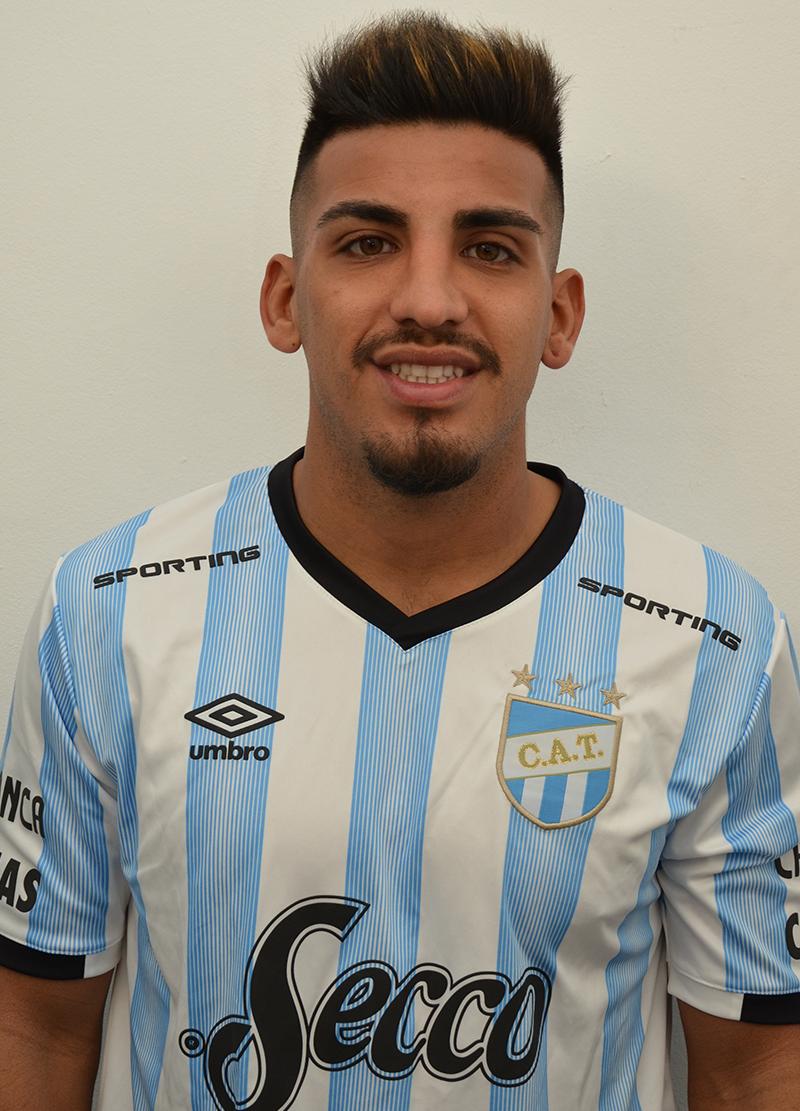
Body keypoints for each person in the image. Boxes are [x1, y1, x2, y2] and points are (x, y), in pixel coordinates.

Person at [0, 10, 798, 1109]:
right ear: (287, 299)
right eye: (368, 242)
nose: (428, 300)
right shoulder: (106, 612)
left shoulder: (713, 641)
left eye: (490, 248)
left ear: (558, 314)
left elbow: (758, 1065)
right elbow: (33, 1029)